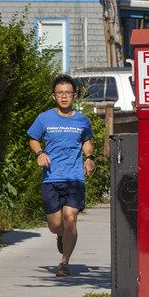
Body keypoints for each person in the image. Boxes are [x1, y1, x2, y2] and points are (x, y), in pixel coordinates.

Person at [27, 74, 95, 277]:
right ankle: (60, 235)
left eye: (68, 93)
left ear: (74, 95)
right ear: (53, 96)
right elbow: (33, 138)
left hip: (74, 177)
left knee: (70, 219)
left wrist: (89, 158)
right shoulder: (44, 118)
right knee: (56, 225)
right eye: (60, 93)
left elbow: (86, 141)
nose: (64, 97)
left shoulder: (82, 120)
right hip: (51, 177)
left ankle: (64, 261)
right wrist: (40, 153)